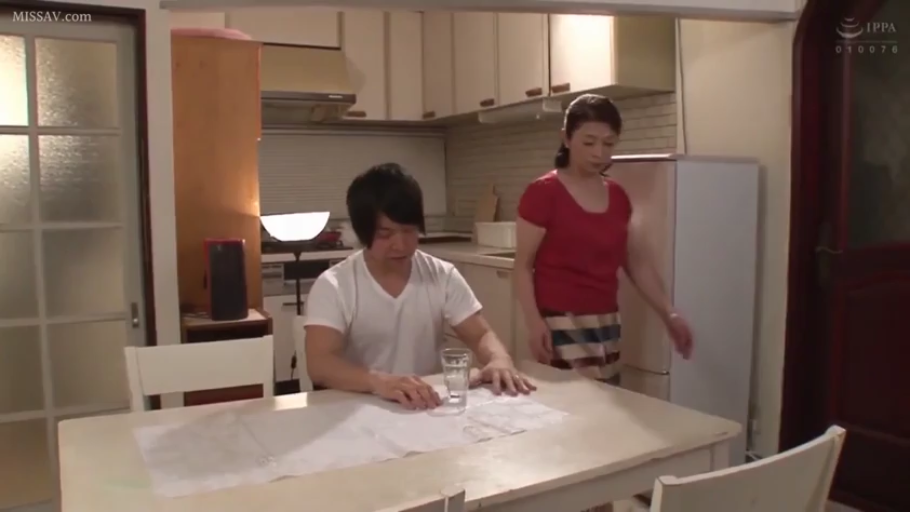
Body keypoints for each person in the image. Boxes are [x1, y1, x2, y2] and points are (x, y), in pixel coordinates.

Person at [304, 162, 535, 410]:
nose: (401, 244)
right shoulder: (335, 285)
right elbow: (320, 364)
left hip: (424, 405)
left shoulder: (441, 275)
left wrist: (499, 358)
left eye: (409, 231)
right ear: (363, 233)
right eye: (385, 234)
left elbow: (480, 335)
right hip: (358, 407)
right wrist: (379, 382)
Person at [514, 93, 694, 386]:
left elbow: (636, 262)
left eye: (608, 144)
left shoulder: (618, 196)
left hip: (606, 323)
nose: (599, 153)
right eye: (589, 142)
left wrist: (668, 313)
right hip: (559, 322)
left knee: (606, 399)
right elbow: (522, 266)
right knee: (574, 403)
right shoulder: (543, 192)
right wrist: (534, 323)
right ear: (566, 138)